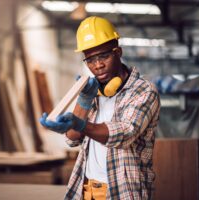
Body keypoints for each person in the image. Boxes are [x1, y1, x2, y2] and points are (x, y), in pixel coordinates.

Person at [40, 16, 160, 200]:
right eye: (90, 60)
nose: (98, 65)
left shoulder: (143, 90)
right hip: (90, 187)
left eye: (104, 56)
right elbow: (72, 139)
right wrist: (84, 101)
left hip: (124, 189)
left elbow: (125, 134)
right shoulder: (93, 91)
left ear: (118, 52)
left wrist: (80, 124)